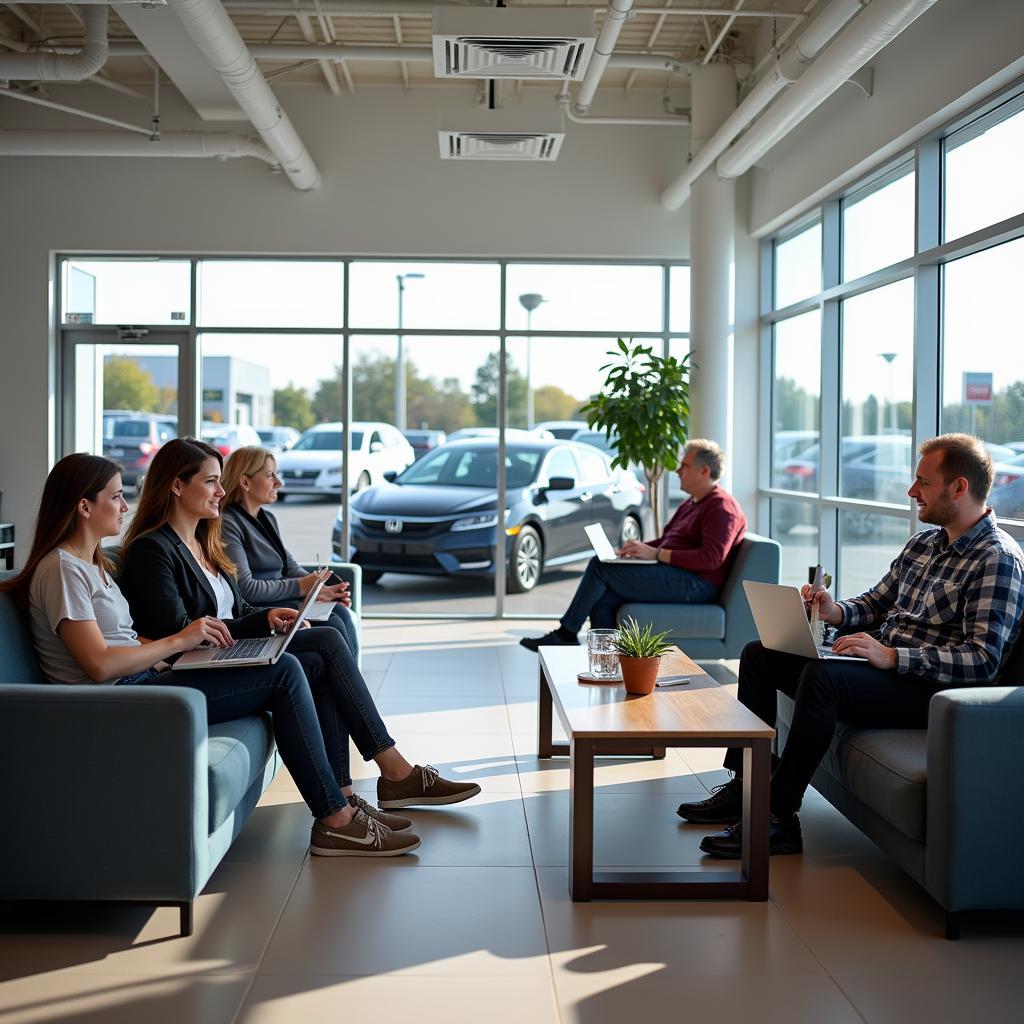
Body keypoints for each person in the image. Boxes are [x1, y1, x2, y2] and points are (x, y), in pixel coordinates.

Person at [0, 452, 422, 857]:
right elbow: (99, 664)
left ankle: (344, 800)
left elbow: (124, 641)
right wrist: (179, 643)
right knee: (287, 672)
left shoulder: (92, 565)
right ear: (84, 507)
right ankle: (336, 819)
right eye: (114, 496)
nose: (125, 505)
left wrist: (169, 653)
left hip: (143, 682)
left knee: (312, 661)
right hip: (120, 702)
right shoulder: (61, 570)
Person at [118, 439, 481, 844]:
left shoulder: (205, 540)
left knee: (322, 647)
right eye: (211, 482)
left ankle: (347, 794)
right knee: (320, 646)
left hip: (218, 655)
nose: (222, 491)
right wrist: (251, 626)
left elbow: (234, 611)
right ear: (176, 486)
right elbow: (183, 629)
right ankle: (388, 776)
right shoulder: (153, 550)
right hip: (195, 665)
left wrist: (267, 619)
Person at [679, 433, 1024, 859]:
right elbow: (878, 601)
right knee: (759, 655)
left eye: (923, 482)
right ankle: (745, 786)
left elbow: (983, 661)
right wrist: (832, 610)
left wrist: (893, 656)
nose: (912, 491)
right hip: (886, 671)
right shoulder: (924, 544)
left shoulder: (997, 558)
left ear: (959, 488)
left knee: (823, 679)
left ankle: (778, 818)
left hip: (930, 691)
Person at [520, 439, 746, 651]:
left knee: (601, 567)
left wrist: (655, 553)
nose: (677, 471)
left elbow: (711, 558)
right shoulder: (693, 503)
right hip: (677, 574)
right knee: (603, 601)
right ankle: (607, 662)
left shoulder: (722, 508)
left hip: (696, 585)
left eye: (684, 466)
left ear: (704, 471)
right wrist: (639, 549)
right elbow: (668, 541)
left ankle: (566, 633)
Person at [219, 446, 359, 659]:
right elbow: (246, 589)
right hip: (262, 610)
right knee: (333, 622)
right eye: (270, 475)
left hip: (284, 601)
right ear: (245, 482)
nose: (279, 482)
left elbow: (290, 566)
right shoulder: (228, 523)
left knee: (340, 612)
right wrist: (303, 587)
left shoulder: (267, 519)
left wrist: (318, 589)